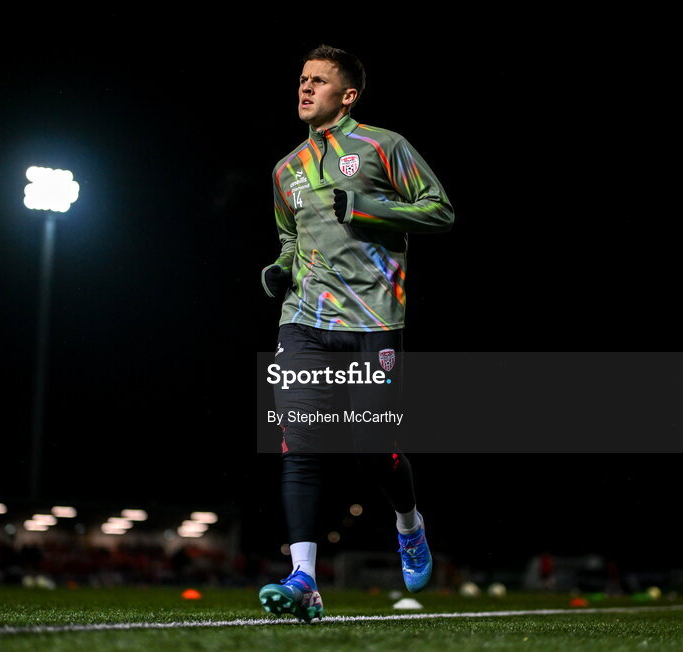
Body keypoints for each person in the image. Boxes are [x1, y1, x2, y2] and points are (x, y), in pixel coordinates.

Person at [258, 45, 454, 623]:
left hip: (374, 322)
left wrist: (367, 207)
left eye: (318, 80)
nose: (304, 87)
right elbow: (290, 239)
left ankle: (408, 524)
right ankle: (304, 581)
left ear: (348, 95)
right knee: (300, 443)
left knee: (374, 451)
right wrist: (280, 267)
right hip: (304, 322)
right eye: (301, 79)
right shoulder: (285, 170)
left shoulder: (383, 146)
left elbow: (440, 210)